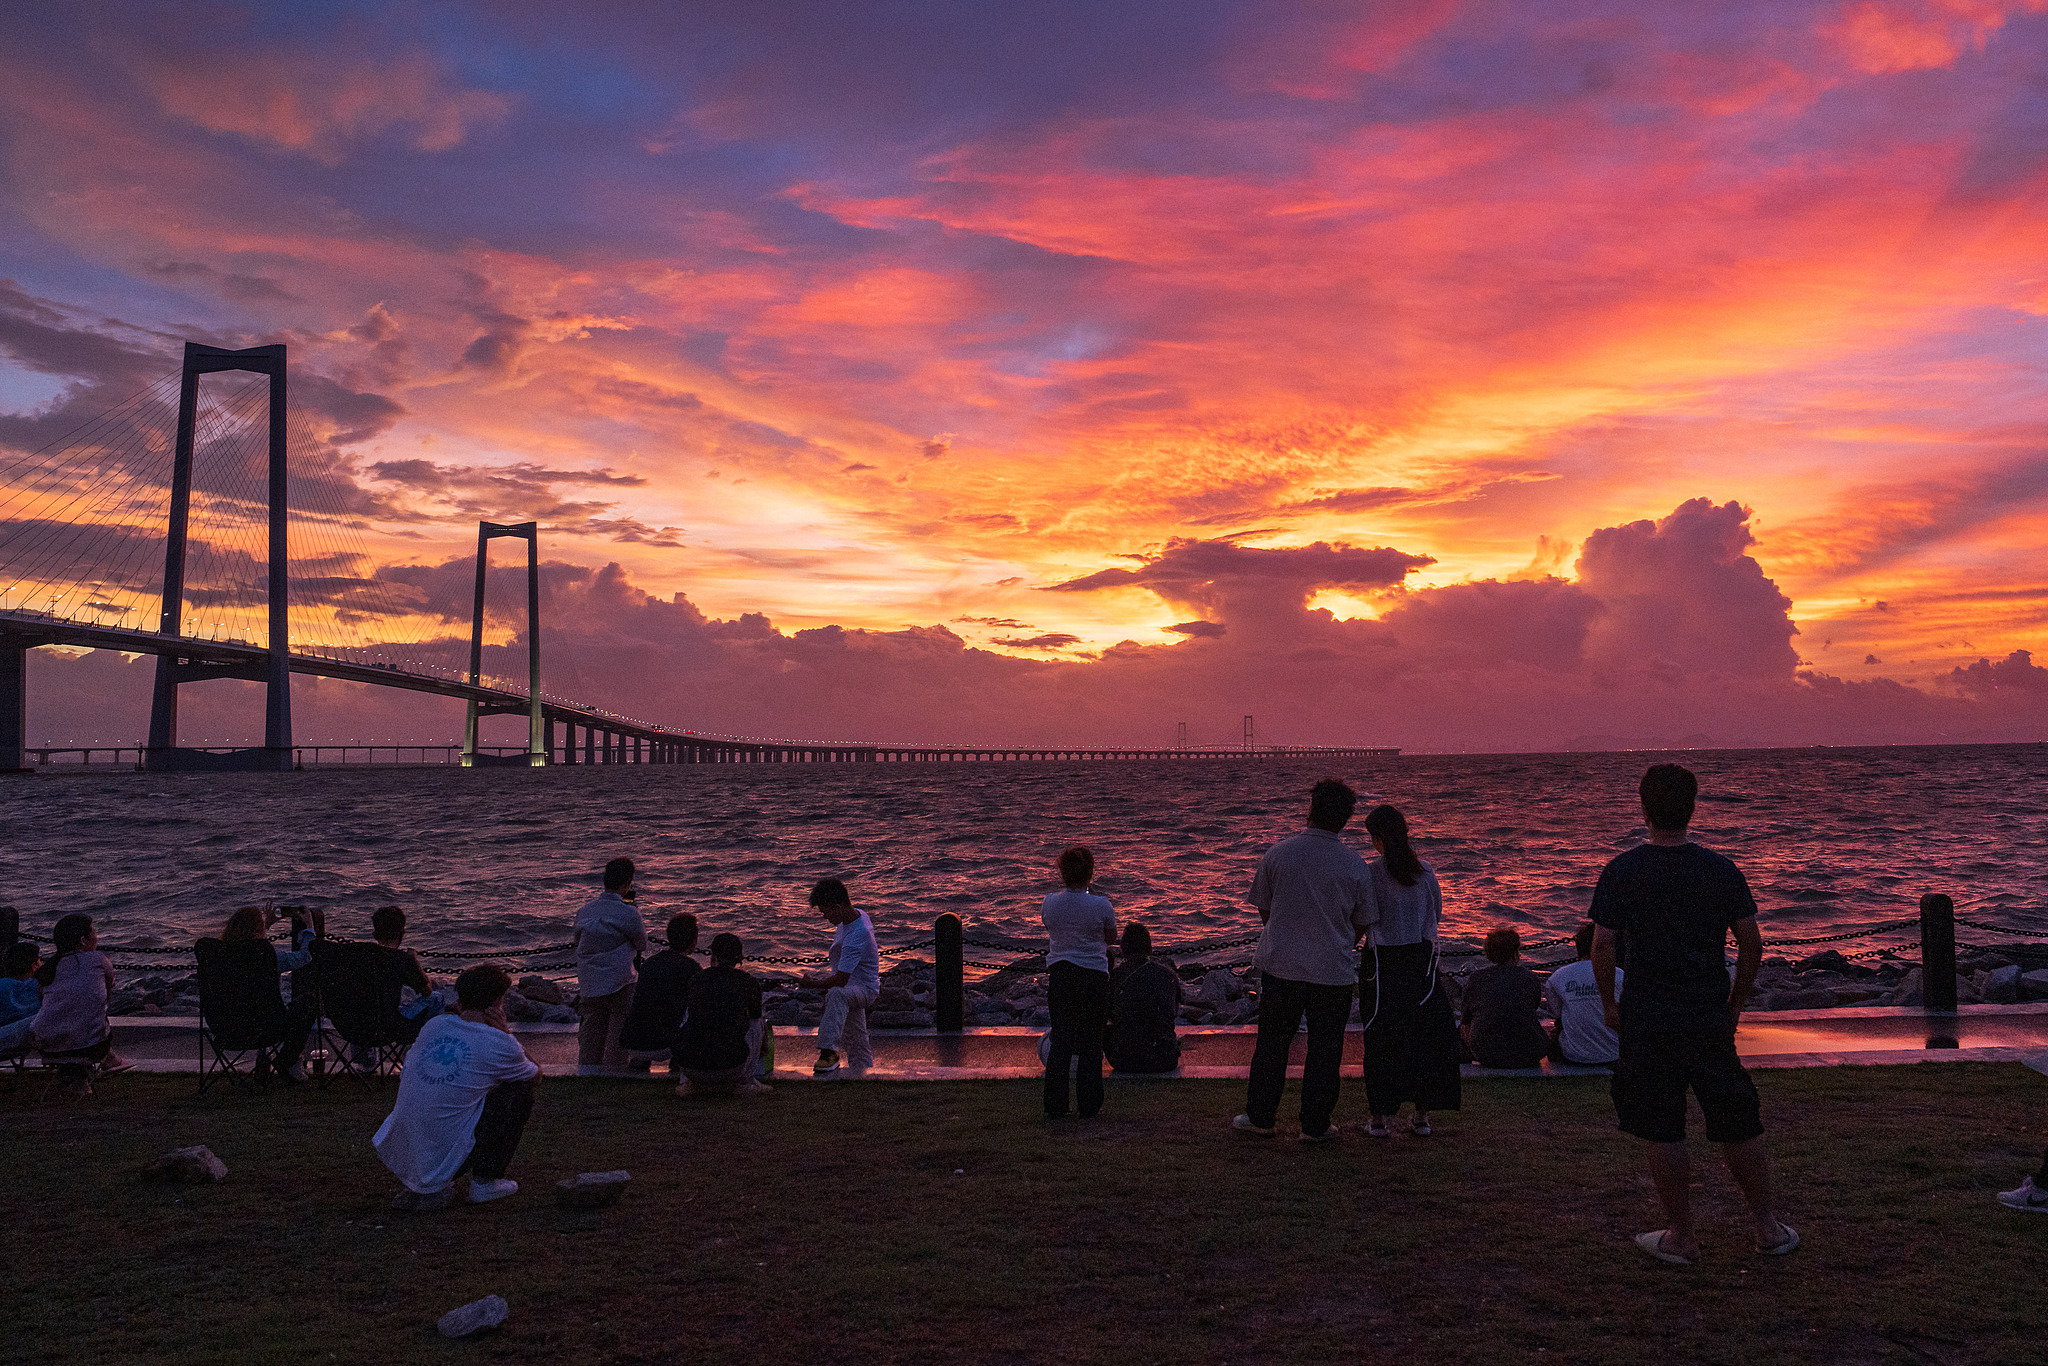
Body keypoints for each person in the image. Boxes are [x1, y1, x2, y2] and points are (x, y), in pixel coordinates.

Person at [1592, 763, 1797, 1264]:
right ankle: (1767, 1228)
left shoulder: (1622, 870)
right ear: (1692, 808)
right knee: (1735, 1118)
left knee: (1663, 1125)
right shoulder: (1719, 869)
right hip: (1706, 1011)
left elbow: (1602, 943)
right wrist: (1736, 1003)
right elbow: (1751, 942)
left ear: (1643, 809)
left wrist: (1610, 1003)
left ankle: (1681, 1236)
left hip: (1649, 1015)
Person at [1236, 777, 1375, 1141]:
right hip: (1332, 970)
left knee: (1272, 1044)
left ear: (1310, 809)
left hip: (1281, 965)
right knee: (1325, 1050)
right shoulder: (1356, 865)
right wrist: (1339, 939)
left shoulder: (1279, 854)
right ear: (1345, 819)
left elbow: (1265, 910)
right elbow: (1362, 921)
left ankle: (1261, 1117)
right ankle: (1315, 1124)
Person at [373, 964, 540, 1211]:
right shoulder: (499, 1042)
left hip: (403, 1150)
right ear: (497, 1003)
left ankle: (427, 1182)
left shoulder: (435, 1025)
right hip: (442, 1152)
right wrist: (505, 1032)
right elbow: (535, 1075)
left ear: (460, 1000)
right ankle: (485, 1182)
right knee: (519, 1093)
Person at [1356, 804, 1460, 1136]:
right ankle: (1422, 1115)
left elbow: (1365, 918)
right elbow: (1436, 914)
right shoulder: (1425, 872)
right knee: (1425, 1035)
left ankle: (1379, 1118)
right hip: (1421, 961)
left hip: (1382, 963)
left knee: (1381, 1037)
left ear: (1377, 839)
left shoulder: (1371, 874)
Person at [1041, 845, 1117, 1118]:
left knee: (1061, 1040)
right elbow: (1111, 937)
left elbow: (1050, 927)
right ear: (1091, 872)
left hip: (1061, 974)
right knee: (1090, 1041)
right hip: (1093, 976)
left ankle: (1055, 1104)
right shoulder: (1101, 904)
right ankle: (1089, 1103)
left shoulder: (1049, 902)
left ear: (1062, 872)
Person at [219, 903, 325, 1079]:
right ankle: (288, 1059)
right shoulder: (268, 958)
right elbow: (304, 957)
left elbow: (251, 950)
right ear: (257, 931)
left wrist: (266, 926)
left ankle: (264, 1061)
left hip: (225, 1026)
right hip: (266, 1027)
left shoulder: (221, 956)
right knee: (309, 1002)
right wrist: (309, 928)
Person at [32, 913, 135, 1086]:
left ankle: (77, 1077)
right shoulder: (98, 959)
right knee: (95, 1013)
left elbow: (42, 1002)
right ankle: (109, 1060)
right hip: (92, 1047)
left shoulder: (48, 969)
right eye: (93, 932)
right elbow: (106, 997)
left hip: (46, 1047)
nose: (96, 937)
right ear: (83, 940)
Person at [572, 857, 649, 1075]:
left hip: (589, 979)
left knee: (591, 1027)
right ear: (628, 883)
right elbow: (641, 943)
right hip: (619, 979)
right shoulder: (628, 912)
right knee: (619, 1026)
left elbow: (577, 941)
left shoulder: (585, 911)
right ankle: (615, 1070)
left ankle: (587, 1070)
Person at [800, 879, 880, 1077]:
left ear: (837, 907)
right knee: (857, 1039)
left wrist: (812, 984)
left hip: (864, 989)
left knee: (837, 994)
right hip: (855, 985)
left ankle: (828, 1051)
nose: (824, 916)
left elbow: (841, 980)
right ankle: (862, 1072)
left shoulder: (857, 934)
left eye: (825, 911)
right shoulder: (855, 916)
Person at [673, 933, 768, 1096]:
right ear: (739, 957)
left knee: (688, 1015)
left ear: (713, 955)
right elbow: (754, 1019)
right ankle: (746, 1080)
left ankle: (687, 1082)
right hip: (731, 1067)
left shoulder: (697, 979)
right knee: (758, 1022)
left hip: (690, 1066)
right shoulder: (747, 982)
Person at [621, 913, 701, 1073]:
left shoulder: (650, 964)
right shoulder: (692, 969)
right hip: (666, 1044)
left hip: (633, 1042)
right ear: (693, 941)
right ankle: (679, 1064)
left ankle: (639, 1063)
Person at [1461, 928, 1549, 1070]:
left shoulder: (1476, 978)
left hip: (1486, 1053)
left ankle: (1465, 1068)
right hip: (1529, 1051)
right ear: (1515, 951)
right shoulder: (1530, 978)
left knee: (1463, 1027)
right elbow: (1532, 1007)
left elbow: (1466, 1017)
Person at [1105, 922, 1181, 1075]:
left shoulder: (1114, 978)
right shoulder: (1168, 975)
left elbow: (1108, 1014)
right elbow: (1173, 1011)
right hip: (1165, 1058)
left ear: (1123, 949)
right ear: (1150, 948)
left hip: (1124, 1059)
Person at [1545, 923, 1623, 1067]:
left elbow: (1555, 1013)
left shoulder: (1558, 976)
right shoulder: (1620, 975)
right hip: (1614, 1053)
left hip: (1573, 1055)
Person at [370, 906, 440, 1027]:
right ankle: (424, 1040)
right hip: (393, 1027)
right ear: (401, 934)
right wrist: (414, 961)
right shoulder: (403, 960)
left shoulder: (362, 955)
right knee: (437, 997)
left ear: (375, 934)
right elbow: (426, 991)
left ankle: (362, 1045)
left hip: (360, 1025)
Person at [0, 942, 43, 1057]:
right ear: (35, 966)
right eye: (40, 960)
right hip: (25, 1042)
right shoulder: (38, 987)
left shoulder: (2, 986)